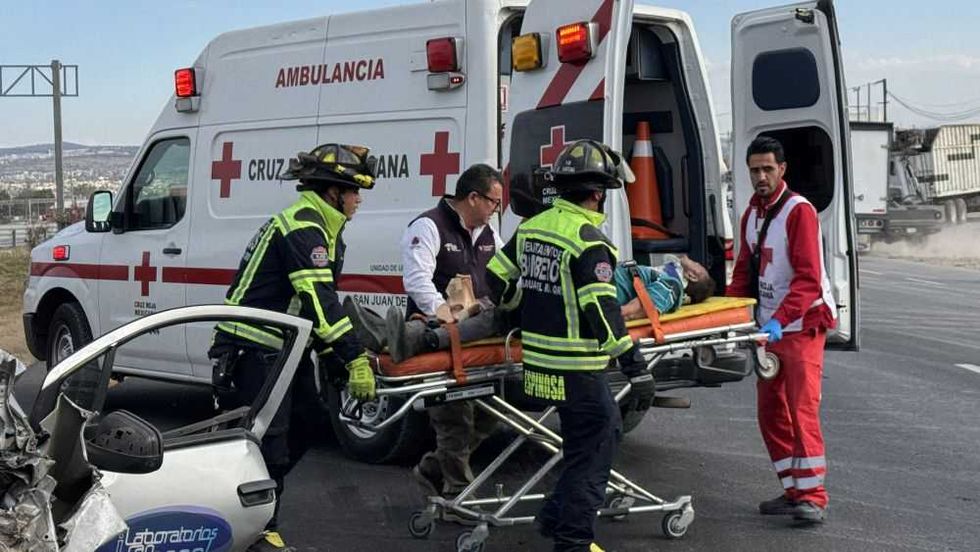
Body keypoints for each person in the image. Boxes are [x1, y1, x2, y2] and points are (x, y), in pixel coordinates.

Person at [208, 144, 379, 551]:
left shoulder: (322, 228)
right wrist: (353, 356)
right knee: (266, 446)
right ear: (334, 191)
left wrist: (327, 355)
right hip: (252, 350)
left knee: (309, 425)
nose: (359, 200)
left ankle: (258, 524)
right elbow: (321, 300)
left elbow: (308, 307)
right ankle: (254, 533)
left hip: (282, 351)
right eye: (355, 191)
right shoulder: (304, 227)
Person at [487, 140, 655, 552]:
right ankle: (573, 541)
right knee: (598, 445)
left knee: (582, 447)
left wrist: (519, 310)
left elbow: (495, 276)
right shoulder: (590, 242)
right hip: (579, 369)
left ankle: (552, 517)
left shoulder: (531, 227)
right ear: (597, 193)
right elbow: (602, 309)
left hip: (539, 369)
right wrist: (635, 365)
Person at [727, 136, 837, 524]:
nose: (760, 176)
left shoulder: (798, 211)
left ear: (782, 170)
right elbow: (745, 272)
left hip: (801, 325)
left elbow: (808, 279)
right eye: (754, 169)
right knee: (770, 412)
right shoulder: (751, 216)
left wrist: (778, 319)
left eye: (767, 169)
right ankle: (794, 489)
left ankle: (813, 497)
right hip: (769, 330)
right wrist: (726, 311)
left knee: (801, 409)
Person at [397, 163, 506, 499]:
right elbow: (417, 280)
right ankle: (457, 496)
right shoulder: (430, 226)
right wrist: (446, 315)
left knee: (491, 414)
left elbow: (503, 273)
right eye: (492, 202)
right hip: (441, 340)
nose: (496, 209)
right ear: (473, 197)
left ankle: (432, 468)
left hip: (478, 339)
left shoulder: (489, 235)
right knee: (455, 421)